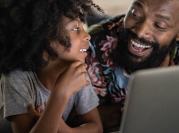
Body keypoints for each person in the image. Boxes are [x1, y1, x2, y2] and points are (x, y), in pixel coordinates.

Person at [85, 0, 179, 132]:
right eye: (135, 14)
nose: (141, 31)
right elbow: (71, 116)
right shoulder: (93, 45)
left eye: (159, 25)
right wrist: (142, 108)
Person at [0, 0, 103, 133]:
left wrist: (65, 130)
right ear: (45, 37)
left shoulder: (77, 72)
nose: (87, 36)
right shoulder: (16, 78)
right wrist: (61, 92)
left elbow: (96, 127)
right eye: (76, 29)